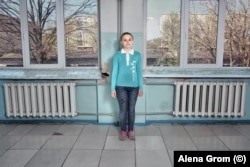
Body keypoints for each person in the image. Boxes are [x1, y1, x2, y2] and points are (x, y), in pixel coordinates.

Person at [111, 32, 143, 140]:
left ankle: (131, 130)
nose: (127, 42)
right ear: (121, 42)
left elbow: (139, 72)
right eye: (125, 40)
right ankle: (123, 130)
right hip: (120, 87)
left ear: (132, 41)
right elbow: (114, 72)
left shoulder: (137, 55)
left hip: (134, 87)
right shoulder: (117, 55)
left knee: (131, 109)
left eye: (129, 39)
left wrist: (141, 87)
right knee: (123, 109)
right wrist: (112, 88)